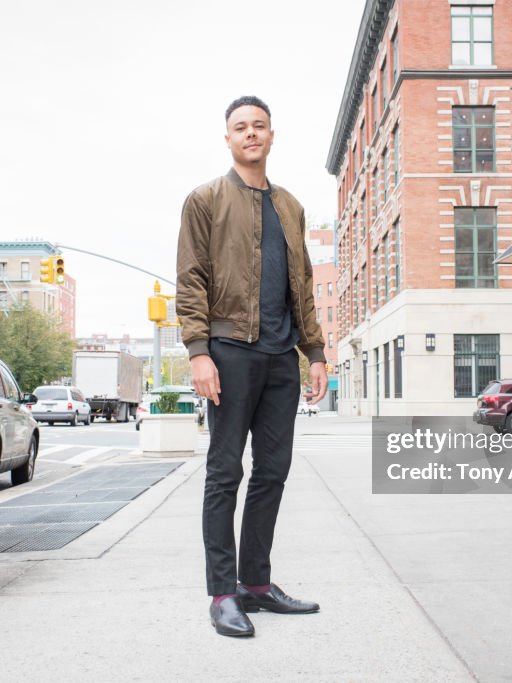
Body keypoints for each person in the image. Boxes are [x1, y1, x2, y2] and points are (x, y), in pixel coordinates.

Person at [177, 95, 328, 638]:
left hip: (280, 358)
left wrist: (314, 353)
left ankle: (256, 585)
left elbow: (303, 285)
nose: (250, 134)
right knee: (225, 473)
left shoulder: (289, 205)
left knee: (272, 472)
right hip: (230, 353)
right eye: (240, 127)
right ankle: (222, 594)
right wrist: (198, 352)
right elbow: (191, 279)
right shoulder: (205, 199)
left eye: (258, 126)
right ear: (228, 138)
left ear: (271, 135)